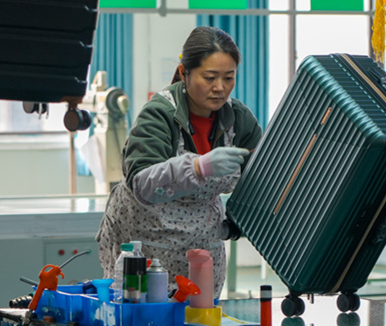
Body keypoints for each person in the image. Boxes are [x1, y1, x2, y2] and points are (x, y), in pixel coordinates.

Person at [97, 27, 263, 296]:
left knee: (201, 318)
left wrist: (235, 222)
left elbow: (261, 176)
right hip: (145, 241)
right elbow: (143, 184)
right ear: (184, 73)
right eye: (209, 78)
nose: (220, 88)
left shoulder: (237, 118)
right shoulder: (160, 114)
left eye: (229, 77)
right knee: (146, 315)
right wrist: (197, 167)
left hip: (201, 244)